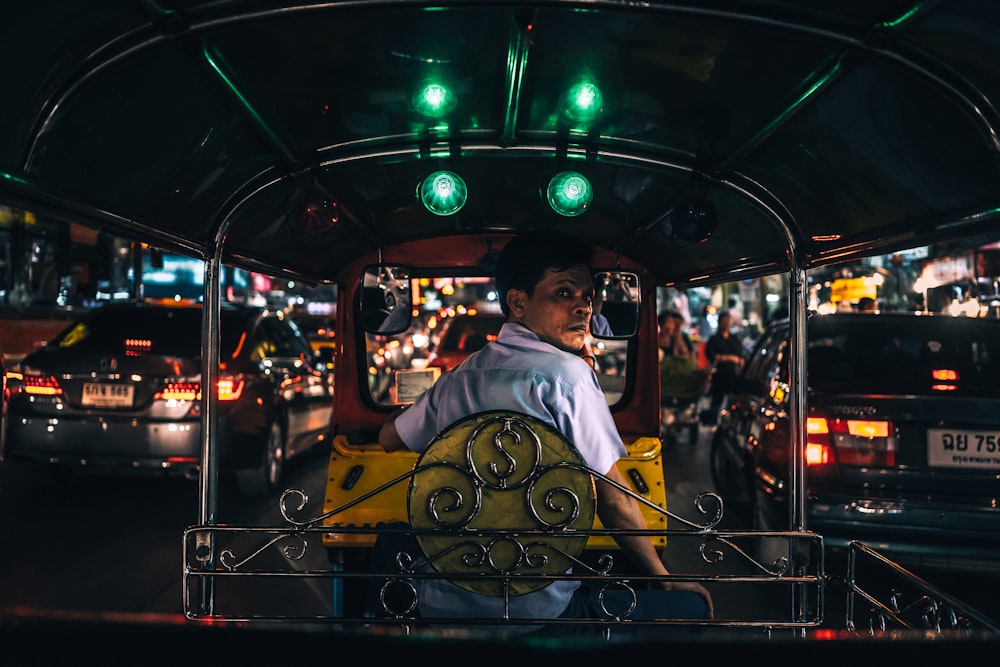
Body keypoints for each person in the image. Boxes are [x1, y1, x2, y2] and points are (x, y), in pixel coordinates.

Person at [377, 231, 713, 633]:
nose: (582, 309)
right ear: (518, 302)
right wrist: (665, 577)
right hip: (539, 613)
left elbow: (388, 438)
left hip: (441, 602)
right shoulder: (568, 378)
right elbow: (615, 503)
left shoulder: (459, 377)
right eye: (563, 294)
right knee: (690, 608)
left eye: (587, 296)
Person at [702, 310, 744, 426]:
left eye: (728, 321)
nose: (726, 324)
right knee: (717, 400)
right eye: (724, 321)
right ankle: (714, 423)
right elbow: (712, 356)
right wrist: (730, 358)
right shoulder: (714, 340)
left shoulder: (735, 339)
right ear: (719, 322)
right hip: (719, 375)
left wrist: (734, 360)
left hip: (733, 375)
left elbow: (740, 356)